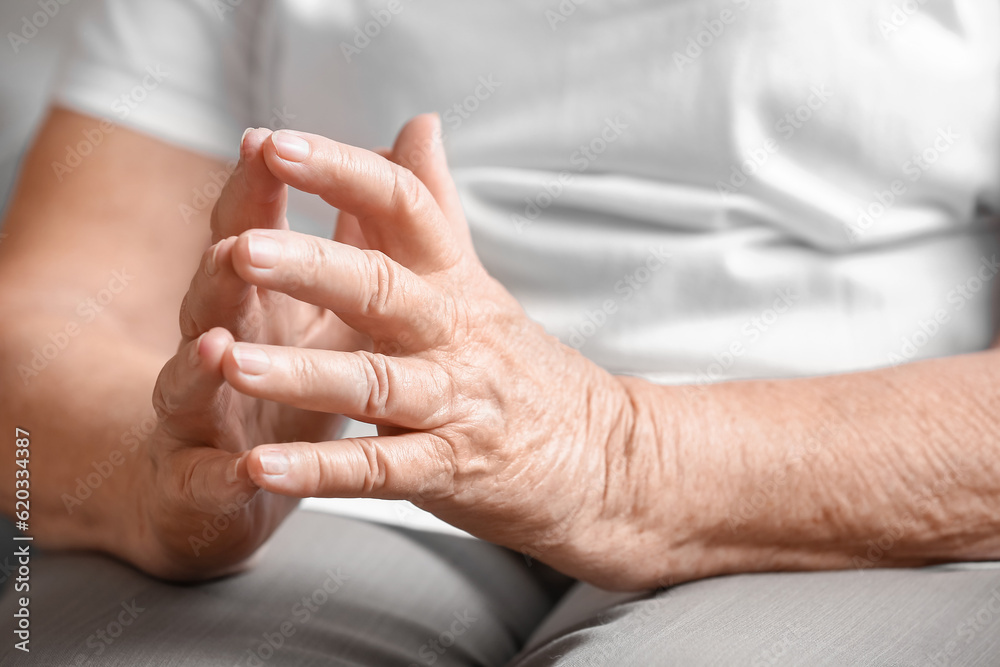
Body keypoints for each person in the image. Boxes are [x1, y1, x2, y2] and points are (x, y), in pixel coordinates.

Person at [1, 0, 999, 664]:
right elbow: (45, 316)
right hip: (342, 496)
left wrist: (618, 456)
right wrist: (159, 475)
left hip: (824, 507)